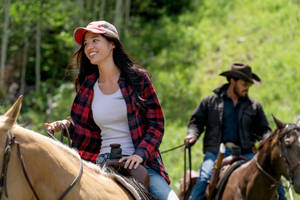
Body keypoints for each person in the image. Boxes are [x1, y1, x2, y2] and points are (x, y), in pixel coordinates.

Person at [45, 20, 178, 200]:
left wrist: (140, 154)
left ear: (112, 44)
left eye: (95, 40)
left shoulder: (138, 78)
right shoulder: (88, 87)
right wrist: (66, 126)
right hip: (101, 164)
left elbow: (156, 124)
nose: (88, 47)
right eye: (86, 43)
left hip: (138, 163)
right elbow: (88, 133)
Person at [184, 63, 286, 200]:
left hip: (247, 152)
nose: (247, 88)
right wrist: (192, 135)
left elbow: (264, 130)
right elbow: (196, 122)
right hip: (216, 152)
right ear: (232, 81)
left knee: (274, 179)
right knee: (204, 178)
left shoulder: (254, 106)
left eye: (249, 85)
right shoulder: (210, 101)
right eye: (244, 84)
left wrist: (267, 139)